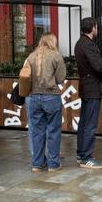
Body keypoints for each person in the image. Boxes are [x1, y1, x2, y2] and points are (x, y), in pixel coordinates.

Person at [27, 33, 66, 172]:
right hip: (51, 96)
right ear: (52, 41)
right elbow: (61, 78)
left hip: (33, 98)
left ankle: (37, 164)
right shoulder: (56, 56)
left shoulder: (31, 56)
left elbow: (25, 77)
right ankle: (53, 164)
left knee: (37, 131)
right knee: (53, 131)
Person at [74, 17, 102, 169]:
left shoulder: (80, 43)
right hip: (92, 87)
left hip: (86, 86)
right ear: (93, 28)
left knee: (84, 122)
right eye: (96, 27)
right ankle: (86, 157)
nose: (97, 29)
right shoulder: (88, 44)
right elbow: (99, 67)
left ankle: (81, 154)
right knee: (90, 124)